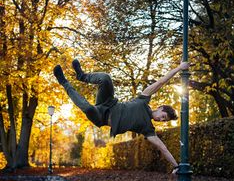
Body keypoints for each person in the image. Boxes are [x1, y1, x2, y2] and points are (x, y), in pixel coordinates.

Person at [53, 59, 189, 174]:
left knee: (88, 108)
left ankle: (64, 82)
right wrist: (178, 68)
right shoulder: (144, 99)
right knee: (105, 78)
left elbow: (163, 148)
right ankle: (82, 76)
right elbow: (161, 82)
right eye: (163, 116)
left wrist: (176, 166)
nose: (161, 120)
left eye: (164, 120)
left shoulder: (148, 129)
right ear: (160, 108)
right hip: (107, 102)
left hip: (100, 117)